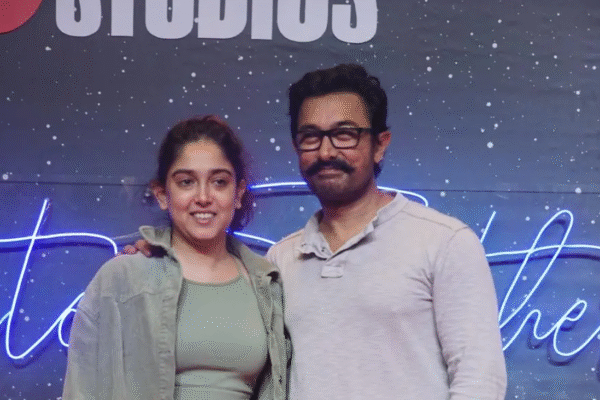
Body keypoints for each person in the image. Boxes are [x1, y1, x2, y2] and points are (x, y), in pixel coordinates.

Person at [265, 64, 507, 399]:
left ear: (380, 144)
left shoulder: (444, 242)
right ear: (296, 148)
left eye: (344, 134)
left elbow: (480, 379)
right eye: (310, 137)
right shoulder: (280, 259)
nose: (326, 152)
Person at [63, 115, 288, 400]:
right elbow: (83, 388)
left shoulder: (266, 284)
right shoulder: (122, 278)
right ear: (162, 194)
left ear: (239, 193)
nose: (203, 197)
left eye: (219, 182)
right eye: (186, 182)